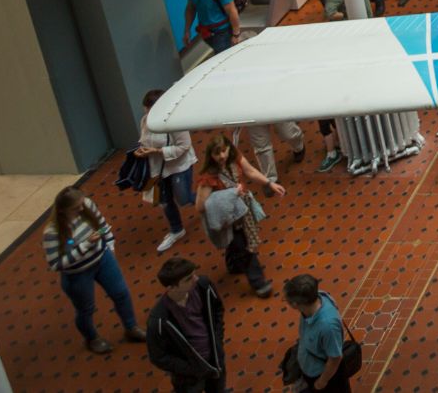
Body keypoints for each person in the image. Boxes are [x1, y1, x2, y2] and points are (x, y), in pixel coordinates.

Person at [43, 186, 144, 353]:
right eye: (77, 208)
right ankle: (92, 338)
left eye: (82, 204)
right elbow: (56, 264)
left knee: (121, 293)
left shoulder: (87, 205)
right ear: (64, 210)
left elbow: (102, 225)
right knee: (86, 309)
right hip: (77, 274)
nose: (82, 209)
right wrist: (85, 245)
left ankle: (131, 327)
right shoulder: (52, 232)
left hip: (102, 259)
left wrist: (110, 245)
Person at [193, 135, 278, 298]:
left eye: (224, 151)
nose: (222, 156)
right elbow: (200, 206)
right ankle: (258, 281)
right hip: (228, 218)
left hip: (241, 211)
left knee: (236, 242)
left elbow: (250, 171)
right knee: (245, 245)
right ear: (211, 155)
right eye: (217, 153)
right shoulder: (208, 178)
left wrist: (269, 183)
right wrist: (231, 194)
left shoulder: (235, 158)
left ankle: (233, 264)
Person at [146, 257, 227, 393]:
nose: (196, 279)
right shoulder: (159, 320)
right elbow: (158, 357)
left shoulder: (203, 286)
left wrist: (217, 341)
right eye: (188, 278)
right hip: (189, 378)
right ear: (171, 287)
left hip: (215, 360)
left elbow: (217, 310)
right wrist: (190, 368)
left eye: (194, 274)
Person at [138, 89, 197, 252]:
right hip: (158, 169)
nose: (147, 114)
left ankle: (207, 197)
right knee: (164, 201)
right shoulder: (145, 121)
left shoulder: (175, 122)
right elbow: (144, 140)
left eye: (150, 110)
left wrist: (157, 152)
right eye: (146, 110)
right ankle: (176, 229)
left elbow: (184, 146)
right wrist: (142, 150)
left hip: (178, 166)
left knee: (184, 198)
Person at [284, 275, 351, 393]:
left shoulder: (328, 326)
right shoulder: (314, 296)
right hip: (309, 368)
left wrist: (321, 382)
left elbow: (335, 358)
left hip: (323, 377)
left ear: (295, 304)